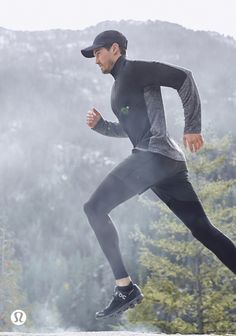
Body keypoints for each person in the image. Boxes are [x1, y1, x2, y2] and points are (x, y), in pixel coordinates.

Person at [81, 30, 236, 319]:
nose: (95, 59)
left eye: (98, 52)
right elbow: (131, 131)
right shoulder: (119, 87)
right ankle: (125, 289)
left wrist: (193, 126)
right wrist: (102, 126)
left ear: (115, 49)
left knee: (94, 208)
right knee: (203, 229)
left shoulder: (136, 70)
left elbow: (184, 78)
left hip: (154, 156)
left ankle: (125, 289)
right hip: (165, 162)